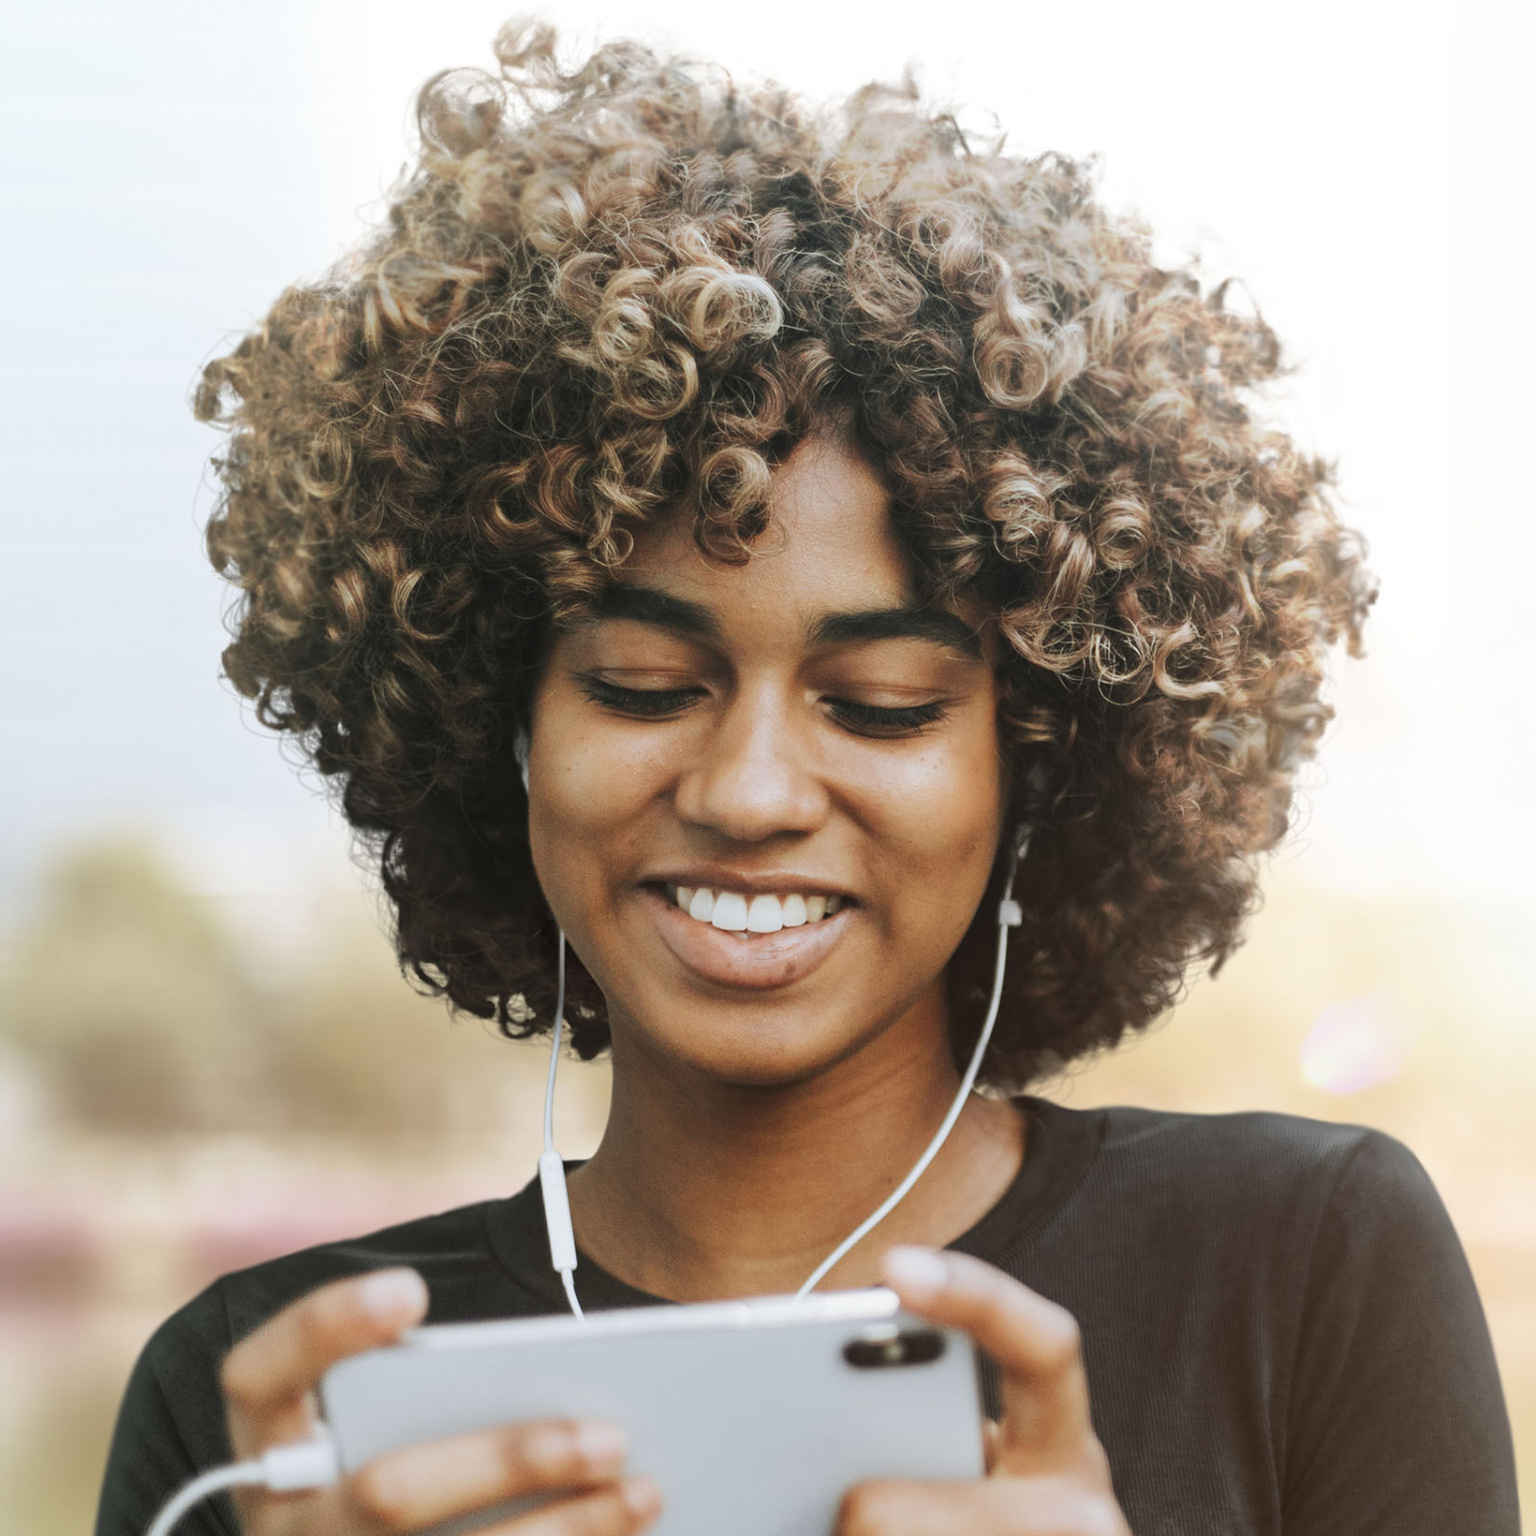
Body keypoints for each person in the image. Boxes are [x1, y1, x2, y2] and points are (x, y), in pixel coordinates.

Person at [96, 22, 1519, 1536]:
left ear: (1036, 764)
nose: (753, 791)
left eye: (886, 705)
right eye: (643, 687)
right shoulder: (264, 1398)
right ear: (493, 726)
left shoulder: (1302, 1265)